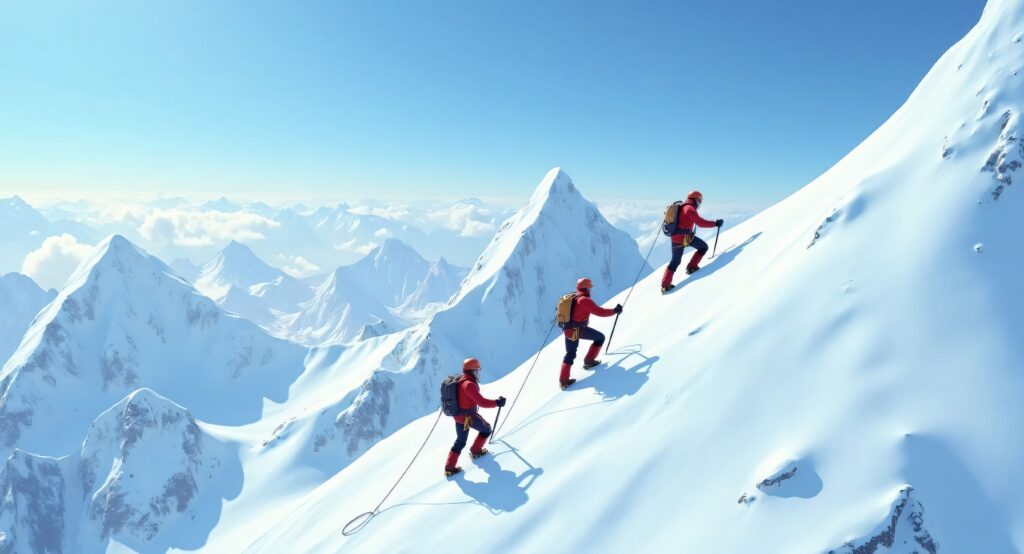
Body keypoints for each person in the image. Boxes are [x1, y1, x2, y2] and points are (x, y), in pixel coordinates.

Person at [445, 358, 506, 477]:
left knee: (460, 441)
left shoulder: (461, 380)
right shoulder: (469, 385)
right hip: (468, 417)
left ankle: (449, 467)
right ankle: (475, 450)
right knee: (486, 429)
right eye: (477, 370)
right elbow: (482, 402)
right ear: (473, 371)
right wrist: (497, 403)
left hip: (458, 416)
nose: (478, 373)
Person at [559, 278, 622, 390]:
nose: (591, 290)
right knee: (600, 338)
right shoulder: (584, 300)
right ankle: (589, 361)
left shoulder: (573, 296)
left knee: (570, 353)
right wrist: (615, 310)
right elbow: (600, 312)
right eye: (589, 288)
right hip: (577, 330)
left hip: (568, 329)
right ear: (585, 288)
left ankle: (564, 380)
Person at [661, 190, 724, 293]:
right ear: (694, 199)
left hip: (676, 237)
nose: (700, 203)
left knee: (675, 261)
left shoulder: (682, 207)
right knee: (703, 247)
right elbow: (701, 223)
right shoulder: (689, 209)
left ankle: (665, 284)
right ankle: (691, 267)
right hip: (685, 237)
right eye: (699, 200)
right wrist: (716, 223)